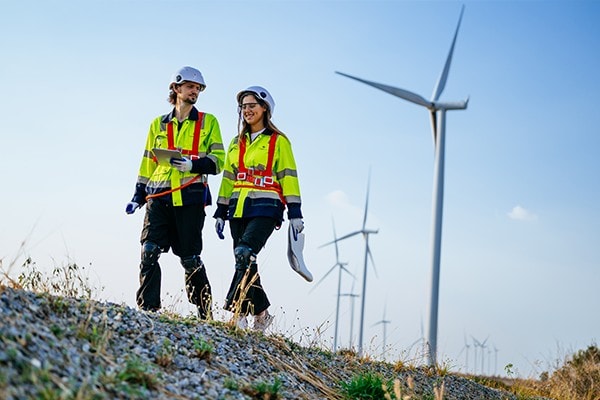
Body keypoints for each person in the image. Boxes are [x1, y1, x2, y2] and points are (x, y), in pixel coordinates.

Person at [125, 66, 225, 319]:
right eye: (191, 86)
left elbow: (219, 160)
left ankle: (204, 313)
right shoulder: (157, 124)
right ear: (176, 88)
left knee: (190, 258)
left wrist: (194, 165)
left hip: (191, 196)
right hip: (158, 196)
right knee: (149, 250)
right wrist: (138, 195)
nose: (195, 91)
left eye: (198, 88)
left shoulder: (208, 122)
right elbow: (148, 160)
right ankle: (149, 310)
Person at [213, 86, 305, 332]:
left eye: (252, 105)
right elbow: (228, 178)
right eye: (243, 106)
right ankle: (262, 313)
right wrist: (221, 211)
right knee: (245, 261)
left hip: (267, 206)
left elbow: (289, 176)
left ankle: (237, 314)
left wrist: (295, 213)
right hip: (238, 207)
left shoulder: (278, 141)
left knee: (245, 252)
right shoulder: (236, 142)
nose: (247, 110)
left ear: (265, 108)